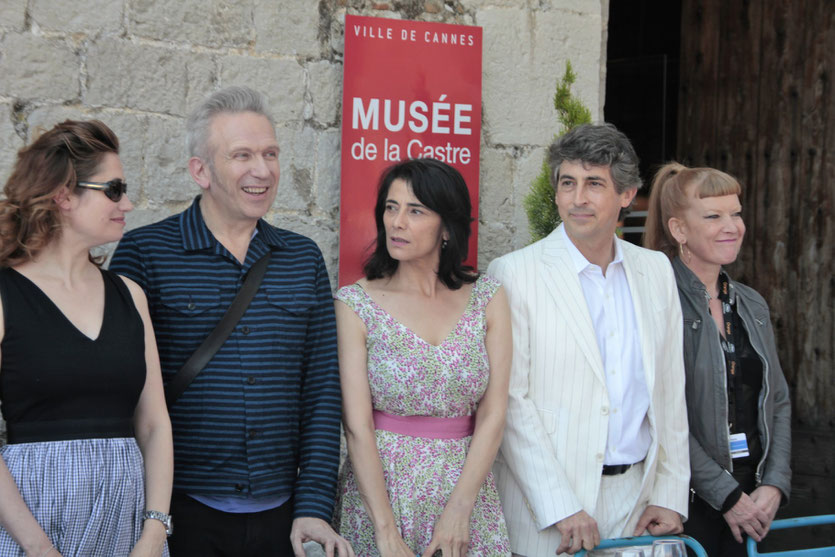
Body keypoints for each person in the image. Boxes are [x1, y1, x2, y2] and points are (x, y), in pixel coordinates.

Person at [109, 87, 353, 557]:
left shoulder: (302, 258)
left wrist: (315, 506)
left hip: (281, 518)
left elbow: (322, 390)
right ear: (200, 170)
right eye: (242, 155)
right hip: (179, 513)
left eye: (270, 154)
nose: (262, 170)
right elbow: (122, 387)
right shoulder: (145, 254)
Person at [487, 123, 690, 557]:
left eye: (594, 183)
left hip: (639, 502)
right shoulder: (514, 274)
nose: (577, 198)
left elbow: (670, 390)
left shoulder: (655, 271)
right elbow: (512, 401)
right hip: (549, 513)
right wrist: (561, 506)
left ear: (626, 195)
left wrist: (671, 495)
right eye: (567, 183)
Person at [0, 120, 173, 556]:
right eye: (114, 190)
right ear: (63, 195)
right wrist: (37, 547)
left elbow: (153, 424)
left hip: (129, 525)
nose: (128, 203)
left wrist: (154, 532)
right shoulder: (5, 297)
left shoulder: (129, 295)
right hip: (35, 522)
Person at [334, 158, 512, 556]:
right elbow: (357, 425)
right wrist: (385, 531)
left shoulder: (488, 297)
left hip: (467, 494)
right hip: (383, 492)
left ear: (447, 227)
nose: (397, 222)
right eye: (391, 207)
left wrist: (460, 510)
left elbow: (494, 412)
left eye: (415, 211)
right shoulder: (355, 304)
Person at [644, 162, 791, 556]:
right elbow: (658, 412)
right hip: (689, 504)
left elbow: (777, 399)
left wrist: (775, 483)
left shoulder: (751, 302)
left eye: (736, 213)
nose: (732, 226)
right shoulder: (659, 303)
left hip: (756, 501)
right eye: (713, 216)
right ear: (679, 230)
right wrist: (726, 495)